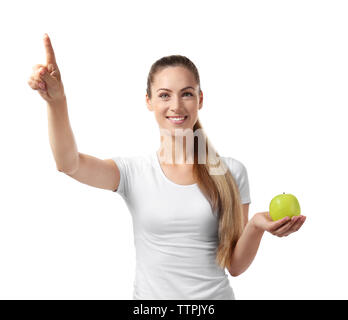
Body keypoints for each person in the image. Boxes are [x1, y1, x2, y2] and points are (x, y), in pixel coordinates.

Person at [28, 33, 306, 300]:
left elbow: (234, 265)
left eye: (186, 93)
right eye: (164, 95)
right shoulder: (132, 173)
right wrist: (57, 102)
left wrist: (256, 226)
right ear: (148, 101)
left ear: (200, 99)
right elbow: (69, 163)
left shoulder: (230, 172)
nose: (176, 105)